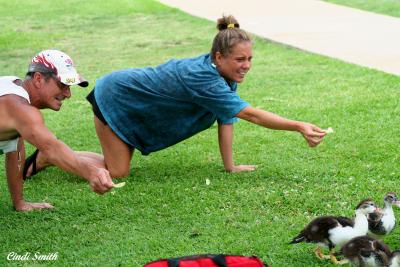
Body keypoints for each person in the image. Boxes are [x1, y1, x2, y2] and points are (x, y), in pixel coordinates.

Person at [25, 15, 327, 180]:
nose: (246, 65)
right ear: (219, 57)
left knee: (116, 167)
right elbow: (250, 114)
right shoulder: (204, 78)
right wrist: (299, 125)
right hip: (118, 96)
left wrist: (230, 166)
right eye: (239, 60)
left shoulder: (222, 74)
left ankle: (54, 156)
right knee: (117, 172)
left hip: (136, 104)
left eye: (249, 59)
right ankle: (50, 155)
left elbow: (228, 118)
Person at [0, 49, 115, 211]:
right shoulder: (19, 107)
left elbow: (15, 153)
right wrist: (92, 172)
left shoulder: (13, 91)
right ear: (38, 79)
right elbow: (51, 148)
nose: (67, 94)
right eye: (62, 85)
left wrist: (19, 203)